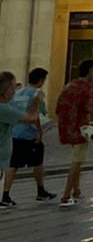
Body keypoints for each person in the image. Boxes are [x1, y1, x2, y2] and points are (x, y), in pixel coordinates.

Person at [3, 67, 54, 207]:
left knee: (13, 164)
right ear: (41, 80)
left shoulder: (18, 93)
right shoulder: (37, 94)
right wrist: (39, 132)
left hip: (15, 132)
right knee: (38, 163)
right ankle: (41, 190)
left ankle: (5, 194)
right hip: (29, 133)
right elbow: (39, 114)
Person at [55, 60, 93, 207]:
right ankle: (66, 196)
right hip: (81, 129)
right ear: (89, 71)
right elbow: (91, 108)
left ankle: (76, 190)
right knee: (76, 161)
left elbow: (59, 107)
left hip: (68, 127)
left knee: (77, 158)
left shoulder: (70, 86)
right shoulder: (86, 88)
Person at [0, 73, 42, 209]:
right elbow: (31, 118)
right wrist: (36, 102)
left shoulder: (5, 106)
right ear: (6, 90)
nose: (15, 91)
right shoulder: (3, 109)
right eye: (13, 87)